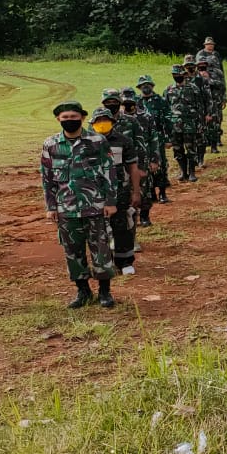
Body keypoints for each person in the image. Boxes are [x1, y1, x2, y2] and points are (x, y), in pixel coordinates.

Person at [40, 101, 117, 309]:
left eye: (74, 117)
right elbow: (47, 178)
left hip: (95, 207)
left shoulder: (97, 141)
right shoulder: (51, 144)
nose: (70, 121)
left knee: (101, 250)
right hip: (66, 209)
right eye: (65, 118)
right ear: (58, 119)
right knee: (73, 252)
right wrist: (51, 206)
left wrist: (110, 201)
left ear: (82, 118)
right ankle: (82, 291)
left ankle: (104, 292)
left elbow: (109, 171)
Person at [91, 97, 142, 276]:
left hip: (120, 192)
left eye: (106, 121)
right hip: (94, 193)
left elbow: (133, 168)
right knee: (97, 229)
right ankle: (104, 263)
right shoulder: (85, 142)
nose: (102, 124)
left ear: (112, 122)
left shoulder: (123, 141)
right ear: (92, 124)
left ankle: (125, 261)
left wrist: (136, 191)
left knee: (123, 226)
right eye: (98, 122)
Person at [121, 89, 160, 228]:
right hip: (123, 161)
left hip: (142, 159)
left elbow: (154, 138)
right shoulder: (116, 118)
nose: (128, 104)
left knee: (145, 188)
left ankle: (145, 216)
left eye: (131, 101)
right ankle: (130, 217)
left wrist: (154, 159)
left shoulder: (145, 116)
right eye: (125, 101)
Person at [165, 63, 206, 182]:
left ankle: (192, 172)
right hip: (175, 125)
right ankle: (183, 172)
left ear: (184, 74)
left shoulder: (193, 88)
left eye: (178, 74)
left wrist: (200, 124)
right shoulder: (169, 90)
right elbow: (167, 108)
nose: (176, 76)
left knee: (191, 149)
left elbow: (200, 107)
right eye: (174, 74)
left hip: (190, 124)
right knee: (177, 149)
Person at [137, 76, 172, 204]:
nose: (145, 87)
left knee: (160, 165)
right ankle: (151, 193)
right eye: (143, 85)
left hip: (158, 139)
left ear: (152, 86)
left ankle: (163, 193)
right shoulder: (136, 102)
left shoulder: (160, 101)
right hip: (141, 140)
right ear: (139, 87)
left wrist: (168, 138)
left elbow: (168, 119)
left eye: (148, 84)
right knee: (145, 166)